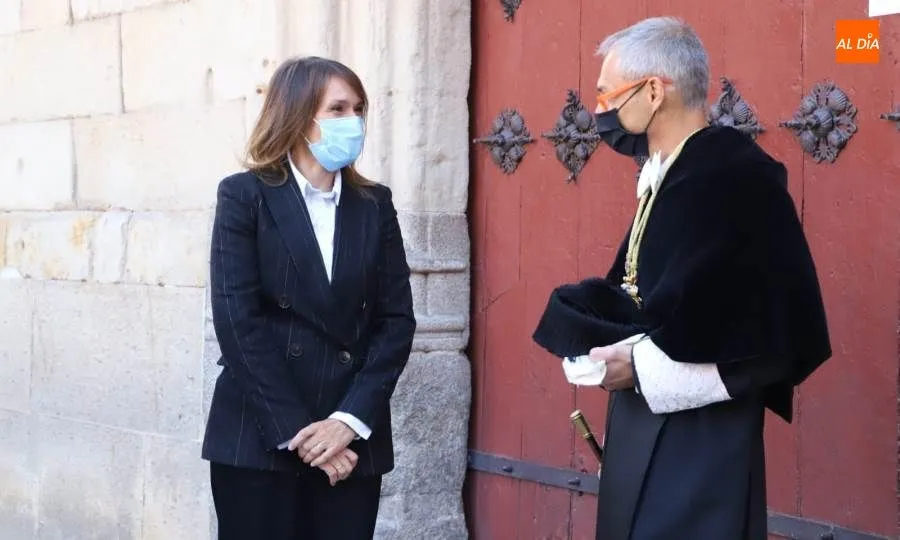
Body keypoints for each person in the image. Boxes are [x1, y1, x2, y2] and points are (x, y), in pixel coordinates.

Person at [532, 17, 831, 540]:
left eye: (607, 95)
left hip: (702, 444)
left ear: (654, 91)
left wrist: (638, 368)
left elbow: (771, 333)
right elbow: (653, 294)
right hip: (645, 422)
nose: (600, 110)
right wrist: (588, 327)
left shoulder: (735, 177)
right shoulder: (670, 172)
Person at [201, 56, 417, 540]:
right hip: (261, 435)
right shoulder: (244, 196)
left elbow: (396, 321)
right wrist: (302, 434)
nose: (353, 121)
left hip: (350, 440)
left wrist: (347, 422)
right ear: (297, 115)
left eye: (358, 109)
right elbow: (238, 322)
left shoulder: (374, 204)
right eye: (337, 109)